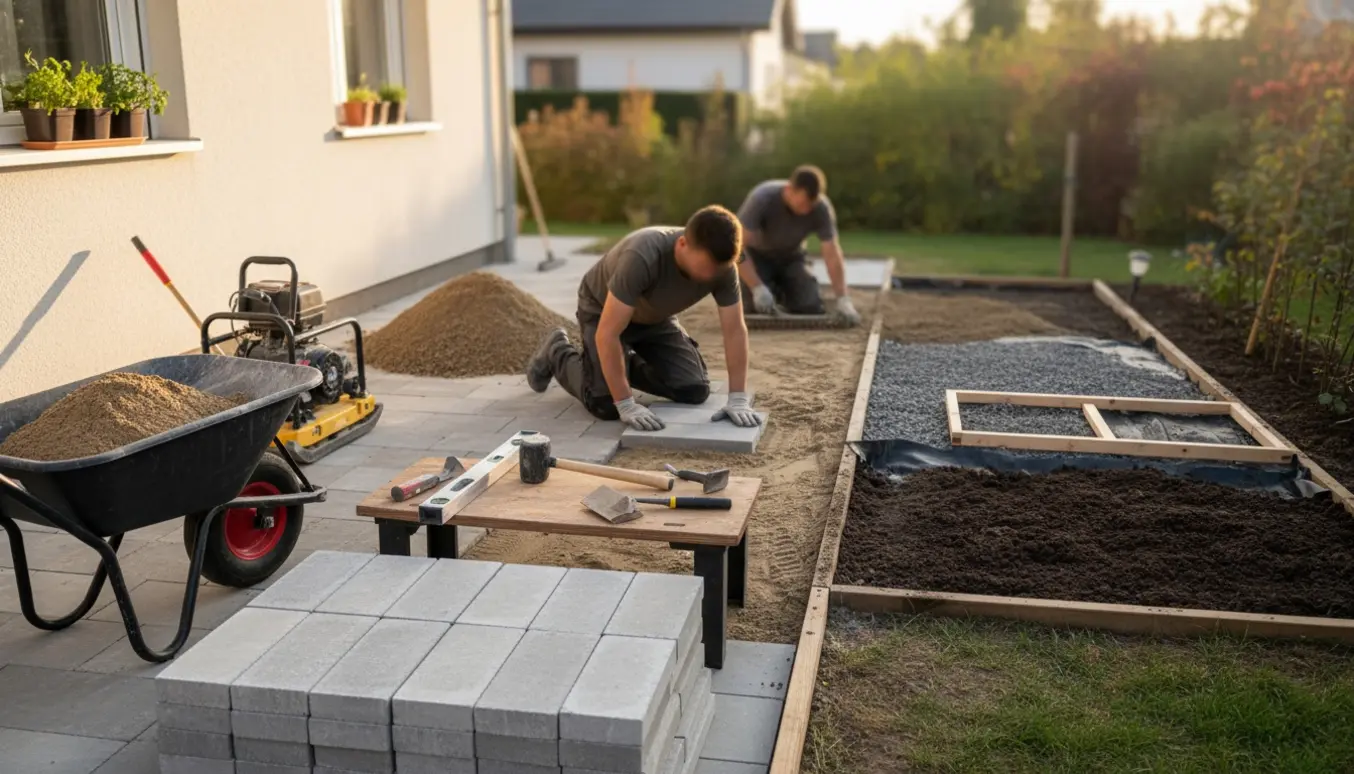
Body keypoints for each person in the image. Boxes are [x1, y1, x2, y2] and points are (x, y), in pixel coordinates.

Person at [525, 206, 761, 432]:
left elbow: (734, 330)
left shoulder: (723, 268)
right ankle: (558, 351)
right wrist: (625, 402)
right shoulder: (642, 254)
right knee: (606, 404)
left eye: (717, 270)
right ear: (682, 244)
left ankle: (620, 364)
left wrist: (737, 397)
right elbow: (608, 333)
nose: (710, 276)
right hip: (602, 309)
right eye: (705, 267)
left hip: (654, 317)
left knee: (693, 390)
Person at [736, 165, 860, 325]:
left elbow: (832, 254)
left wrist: (843, 298)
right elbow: (736, 247)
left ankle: (783, 291)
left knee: (810, 305)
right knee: (753, 308)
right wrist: (756, 287)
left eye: (811, 205)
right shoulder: (762, 198)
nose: (807, 210)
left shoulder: (821, 208)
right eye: (802, 204)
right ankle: (768, 287)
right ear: (789, 190)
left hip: (792, 258)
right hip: (758, 258)